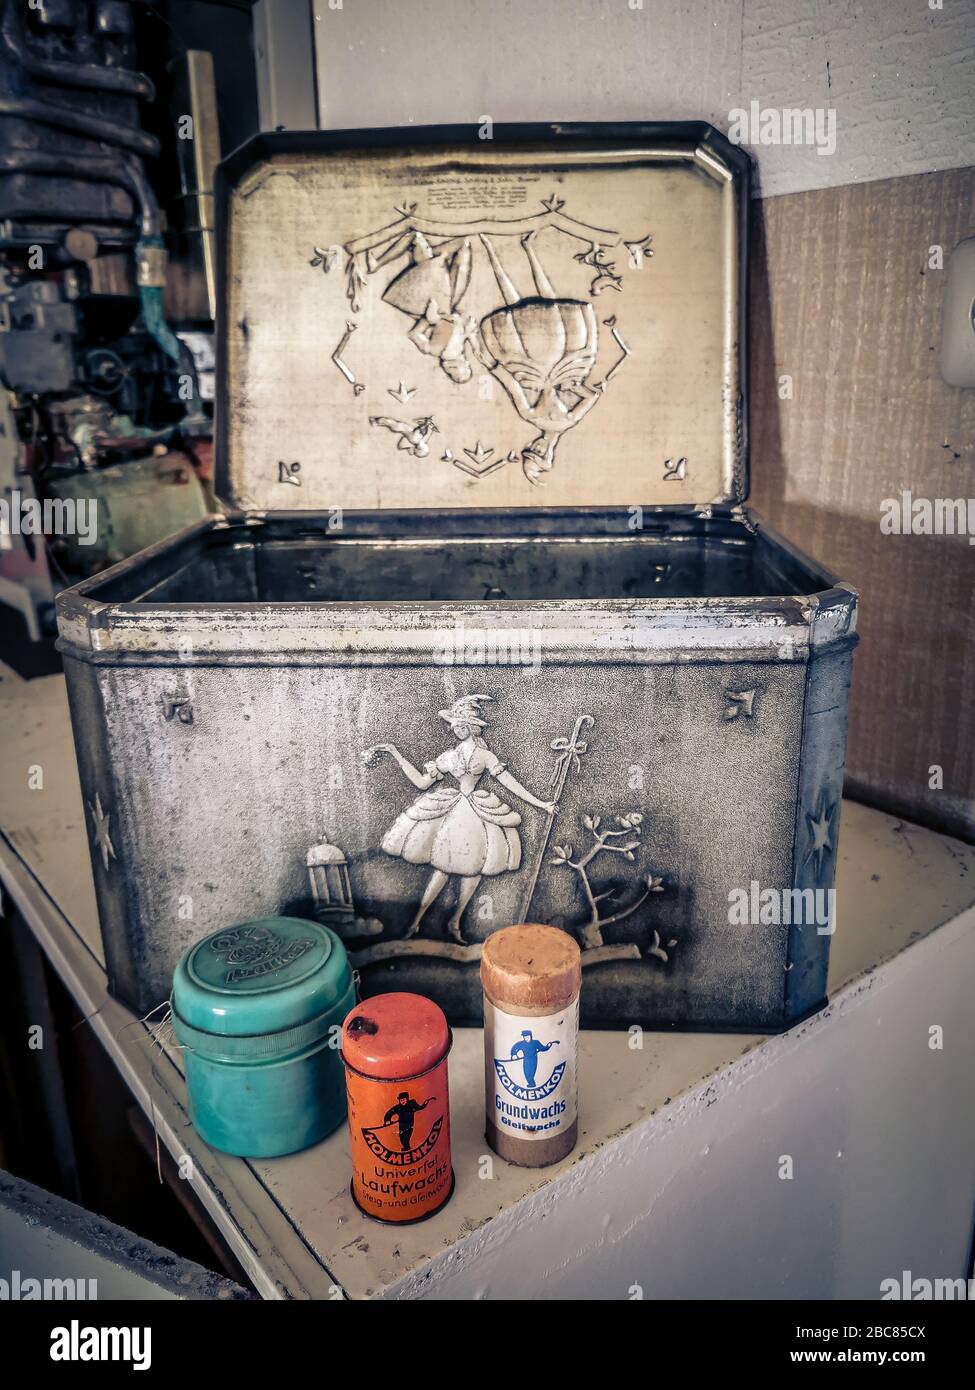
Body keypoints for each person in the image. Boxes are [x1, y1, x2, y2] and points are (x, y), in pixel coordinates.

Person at [363, 695, 556, 943]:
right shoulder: (449, 757)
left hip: (475, 810)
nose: (455, 729)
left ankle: (454, 922)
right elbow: (421, 783)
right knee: (443, 868)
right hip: (455, 811)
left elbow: (509, 783)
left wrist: (540, 803)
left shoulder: (485, 756)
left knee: (473, 867)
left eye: (460, 724)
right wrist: (396, 754)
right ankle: (416, 922)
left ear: (471, 726)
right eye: (453, 724)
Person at [478, 231, 605, 483]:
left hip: (534, 368)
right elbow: (593, 395)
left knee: (522, 307)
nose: (534, 447)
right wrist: (575, 387)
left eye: (530, 451)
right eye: (537, 453)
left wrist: (491, 364)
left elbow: (513, 386)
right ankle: (516, 247)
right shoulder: (566, 420)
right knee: (548, 305)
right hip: (562, 367)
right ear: (547, 454)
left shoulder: (536, 417)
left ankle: (494, 248)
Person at [369, 230, 477, 383]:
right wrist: (468, 330)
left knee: (417, 239)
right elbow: (456, 326)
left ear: (452, 368)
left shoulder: (436, 349)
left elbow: (413, 334)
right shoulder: (457, 347)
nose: (467, 362)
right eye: (468, 365)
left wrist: (430, 319)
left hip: (434, 300)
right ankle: (428, 254)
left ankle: (381, 263)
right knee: (462, 247)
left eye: (465, 367)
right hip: (446, 301)